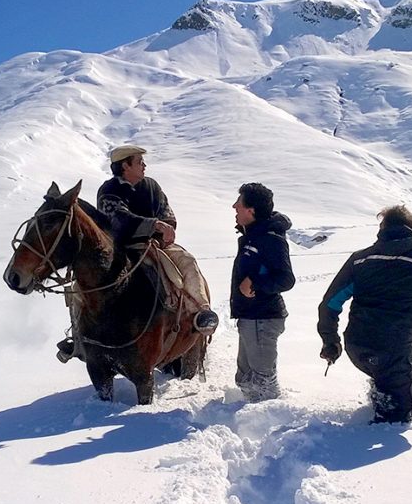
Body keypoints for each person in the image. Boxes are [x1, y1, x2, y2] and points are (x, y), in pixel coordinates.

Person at [56, 145, 218, 362]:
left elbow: (167, 213)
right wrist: (155, 225)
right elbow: (118, 221)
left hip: (157, 245)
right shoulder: (108, 191)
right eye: (139, 161)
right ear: (125, 165)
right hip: (121, 249)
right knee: (80, 287)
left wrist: (163, 229)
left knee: (186, 261)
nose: (144, 165)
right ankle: (79, 338)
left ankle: (200, 313)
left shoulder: (152, 186)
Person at [317, 205, 412, 424]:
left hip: (357, 347)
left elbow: (330, 304)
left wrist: (331, 341)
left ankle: (377, 405)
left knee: (382, 380)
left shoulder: (359, 260)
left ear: (382, 229)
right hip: (396, 352)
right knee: (397, 423)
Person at [230, 183, 295, 401]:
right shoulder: (254, 236)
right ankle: (246, 421)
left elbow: (286, 279)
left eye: (238, 205)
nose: (234, 207)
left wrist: (255, 282)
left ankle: (269, 426)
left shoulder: (270, 238)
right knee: (245, 379)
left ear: (251, 210)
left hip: (263, 318)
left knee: (263, 383)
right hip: (251, 317)